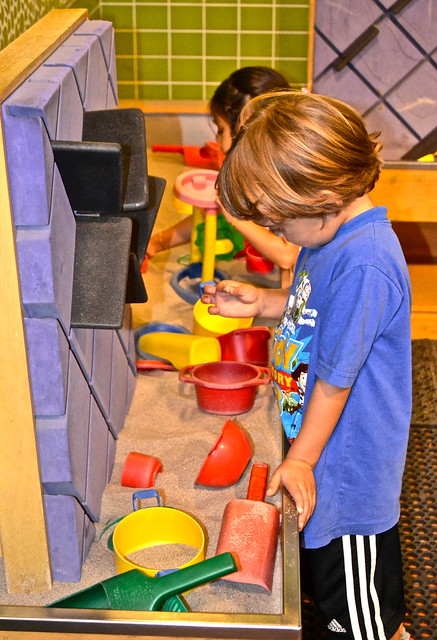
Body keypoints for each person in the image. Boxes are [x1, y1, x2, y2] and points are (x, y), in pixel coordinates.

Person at [201, 90, 412, 640]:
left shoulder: (366, 261)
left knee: (364, 618)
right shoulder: (330, 234)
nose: (275, 232)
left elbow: (337, 381)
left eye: (278, 222)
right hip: (321, 456)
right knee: (326, 592)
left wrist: (302, 458)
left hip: (346, 477)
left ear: (321, 194)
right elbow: (315, 307)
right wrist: (264, 303)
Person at [146, 67, 300, 276]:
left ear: (246, 128)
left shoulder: (284, 176)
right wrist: (158, 242)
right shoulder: (250, 168)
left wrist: (234, 218)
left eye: (221, 129)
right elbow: (211, 214)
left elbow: (287, 256)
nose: (218, 139)